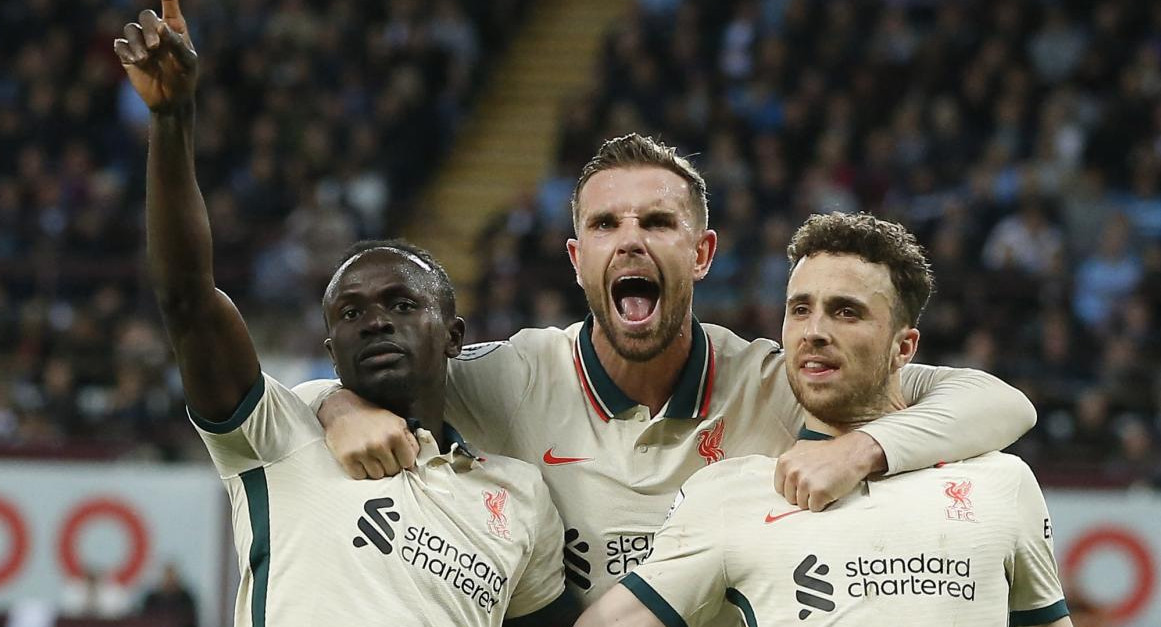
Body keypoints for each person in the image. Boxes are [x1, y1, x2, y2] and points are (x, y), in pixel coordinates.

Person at [300, 135, 1036, 617]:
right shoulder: (509, 376)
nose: (629, 241)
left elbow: (994, 399)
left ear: (702, 251)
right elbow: (366, 376)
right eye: (605, 225)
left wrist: (859, 449)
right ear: (575, 258)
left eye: (656, 223)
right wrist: (338, 403)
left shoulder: (775, 379)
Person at [113, 3, 576, 625]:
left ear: (454, 337)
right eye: (350, 312)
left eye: (402, 304)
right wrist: (173, 119)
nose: (376, 320)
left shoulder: (519, 497)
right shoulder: (276, 433)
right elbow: (188, 301)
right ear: (331, 350)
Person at [576, 213, 1071, 627]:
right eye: (799, 310)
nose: (814, 332)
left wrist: (862, 451)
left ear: (904, 347)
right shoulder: (729, 494)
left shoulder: (1001, 483)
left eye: (846, 312)